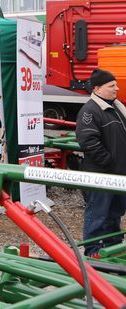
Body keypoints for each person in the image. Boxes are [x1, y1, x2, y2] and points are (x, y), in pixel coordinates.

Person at [76, 68, 126, 256]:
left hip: (118, 173)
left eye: (116, 85)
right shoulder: (90, 110)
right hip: (101, 174)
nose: (116, 88)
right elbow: (88, 141)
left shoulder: (116, 107)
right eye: (111, 85)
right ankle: (93, 252)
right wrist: (109, 161)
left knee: (114, 213)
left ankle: (113, 248)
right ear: (97, 89)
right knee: (97, 214)